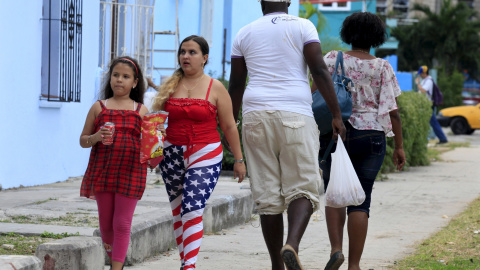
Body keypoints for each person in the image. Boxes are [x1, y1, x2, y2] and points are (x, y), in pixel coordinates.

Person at [228, 1, 346, 269]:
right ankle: (291, 244)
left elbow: (236, 84)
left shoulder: (244, 32)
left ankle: (276, 265)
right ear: (288, 2)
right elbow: (318, 69)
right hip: (295, 113)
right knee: (303, 185)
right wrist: (336, 115)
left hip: (255, 115)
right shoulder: (303, 26)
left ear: (261, 3)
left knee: (267, 196)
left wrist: (231, 124)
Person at [315, 12, 406, 270]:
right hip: (372, 136)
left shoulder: (333, 58)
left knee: (335, 194)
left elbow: (314, 93)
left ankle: (336, 250)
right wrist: (399, 146)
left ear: (348, 34)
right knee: (361, 200)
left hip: (337, 134)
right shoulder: (382, 67)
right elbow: (393, 111)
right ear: (376, 37)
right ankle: (354, 265)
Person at [151, 35, 246, 270]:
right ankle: (186, 261)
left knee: (192, 207)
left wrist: (239, 159)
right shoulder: (168, 84)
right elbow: (156, 123)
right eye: (182, 52)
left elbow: (229, 126)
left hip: (206, 152)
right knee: (178, 210)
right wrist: (152, 153)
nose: (185, 56)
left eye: (192, 52)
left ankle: (189, 266)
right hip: (172, 153)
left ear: (204, 58)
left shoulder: (216, 87)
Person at [79, 56, 149, 270]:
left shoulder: (142, 111)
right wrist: (97, 136)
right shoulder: (98, 108)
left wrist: (158, 137)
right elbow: (83, 140)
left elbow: (151, 150)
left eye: (126, 76)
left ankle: (115, 268)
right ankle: (114, 260)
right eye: (116, 75)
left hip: (132, 172)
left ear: (135, 82)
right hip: (103, 171)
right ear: (110, 79)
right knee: (106, 225)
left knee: (122, 223)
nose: (120, 80)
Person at [415, 65, 448, 144]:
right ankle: (440, 138)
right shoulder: (425, 80)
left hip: (428, 105)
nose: (419, 75)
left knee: (433, 121)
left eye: (421, 73)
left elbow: (423, 91)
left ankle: (443, 139)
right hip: (425, 104)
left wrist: (417, 84)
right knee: (430, 121)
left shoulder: (429, 81)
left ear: (425, 73)